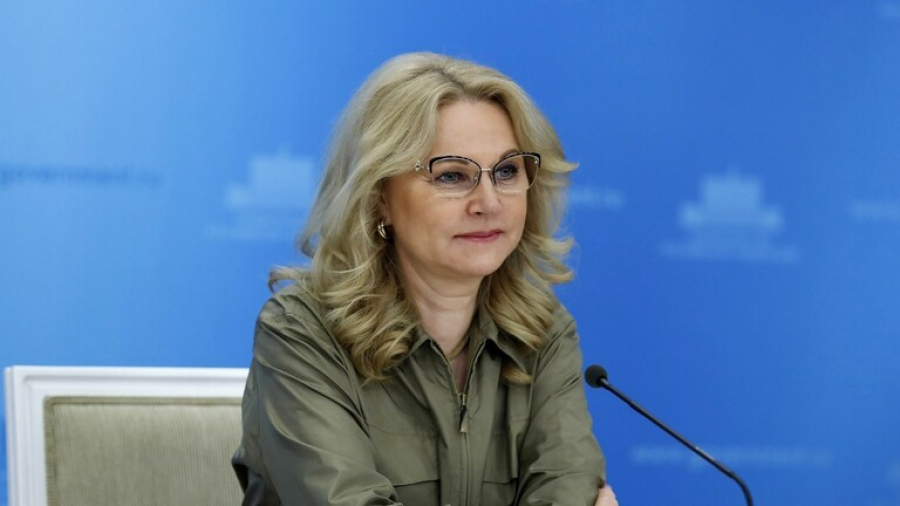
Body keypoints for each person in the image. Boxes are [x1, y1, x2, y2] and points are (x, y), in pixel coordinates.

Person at [232, 52, 617, 506]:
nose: (489, 202)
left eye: (507, 171)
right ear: (379, 198)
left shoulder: (543, 334)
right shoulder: (301, 334)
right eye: (452, 175)